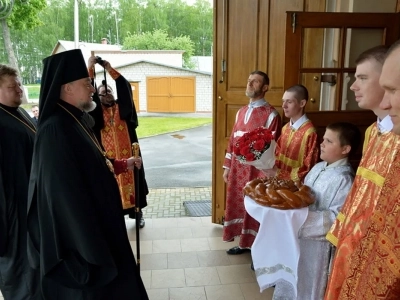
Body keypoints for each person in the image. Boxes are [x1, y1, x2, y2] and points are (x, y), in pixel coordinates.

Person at [26, 49, 148, 299]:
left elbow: (96, 163)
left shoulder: (75, 119)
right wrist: (92, 249)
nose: (92, 89)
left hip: (102, 228)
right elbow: (63, 199)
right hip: (85, 245)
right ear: (67, 88)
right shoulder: (55, 130)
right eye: (86, 83)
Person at [323, 40, 400, 299]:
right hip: (353, 243)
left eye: (363, 78)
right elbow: (360, 191)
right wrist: (342, 232)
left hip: (378, 250)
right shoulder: (371, 131)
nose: (353, 86)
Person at [273, 122, 361, 299]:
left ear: (345, 149)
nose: (322, 144)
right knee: (292, 277)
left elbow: (336, 219)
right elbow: (303, 194)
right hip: (298, 239)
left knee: (308, 284)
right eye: (323, 139)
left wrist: (299, 218)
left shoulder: (345, 180)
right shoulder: (318, 167)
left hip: (318, 249)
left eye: (329, 141)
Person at [223, 70, 282, 255]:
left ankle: (258, 247)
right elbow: (233, 140)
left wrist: (264, 170)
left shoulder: (271, 114)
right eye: (249, 80)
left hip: (257, 172)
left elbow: (272, 147)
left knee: (256, 205)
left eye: (255, 82)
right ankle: (243, 243)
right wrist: (227, 166)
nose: (250, 84)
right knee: (240, 202)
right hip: (237, 171)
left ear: (265, 87)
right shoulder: (240, 112)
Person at [88, 56, 148, 228]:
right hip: (109, 159)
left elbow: (125, 87)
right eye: (103, 93)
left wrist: (108, 68)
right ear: (97, 97)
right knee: (109, 188)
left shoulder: (122, 108)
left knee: (134, 185)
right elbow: (88, 93)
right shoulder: (96, 113)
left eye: (109, 92)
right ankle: (114, 218)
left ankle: (137, 215)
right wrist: (90, 68)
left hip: (128, 155)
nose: (107, 95)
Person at [0, 65, 41, 299]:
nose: (19, 89)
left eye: (18, 83)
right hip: (13, 213)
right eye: (11, 86)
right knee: (21, 276)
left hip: (31, 204)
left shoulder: (20, 112)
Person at [267, 84, 319, 182]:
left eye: (289, 102)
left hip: (297, 187)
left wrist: (279, 174)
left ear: (302, 103)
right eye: (283, 101)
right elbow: (277, 155)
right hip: (279, 182)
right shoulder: (285, 128)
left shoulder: (310, 133)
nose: (284, 106)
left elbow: (309, 167)